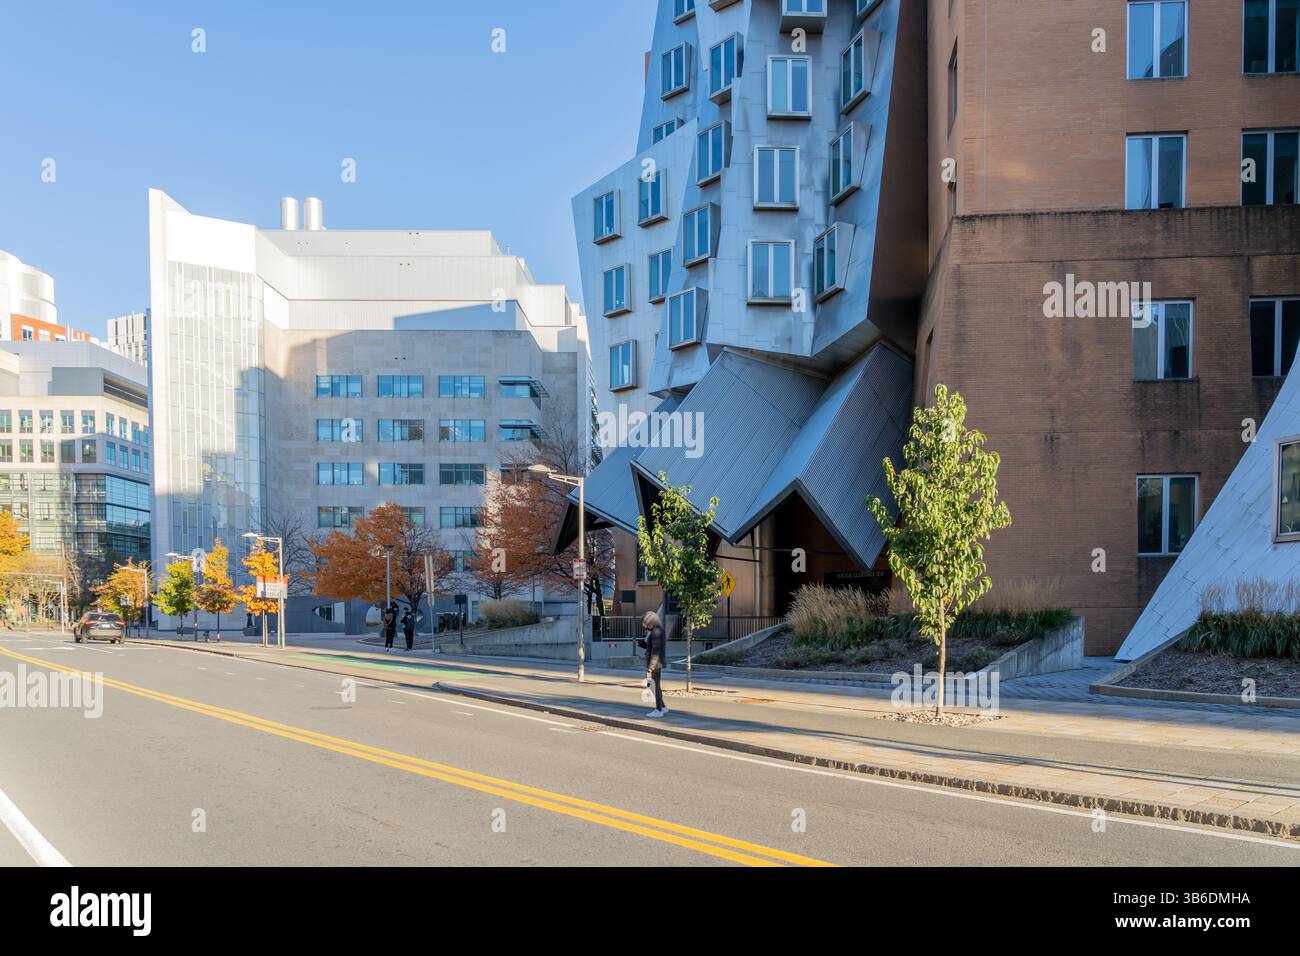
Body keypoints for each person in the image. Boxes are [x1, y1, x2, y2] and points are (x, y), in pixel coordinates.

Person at [636, 610, 668, 718]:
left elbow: (656, 651)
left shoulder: (656, 632)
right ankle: (662, 707)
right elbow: (652, 647)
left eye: (645, 624)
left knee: (654, 686)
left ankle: (659, 709)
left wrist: (651, 667)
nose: (645, 627)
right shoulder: (656, 630)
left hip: (655, 664)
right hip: (656, 663)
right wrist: (642, 644)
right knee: (653, 685)